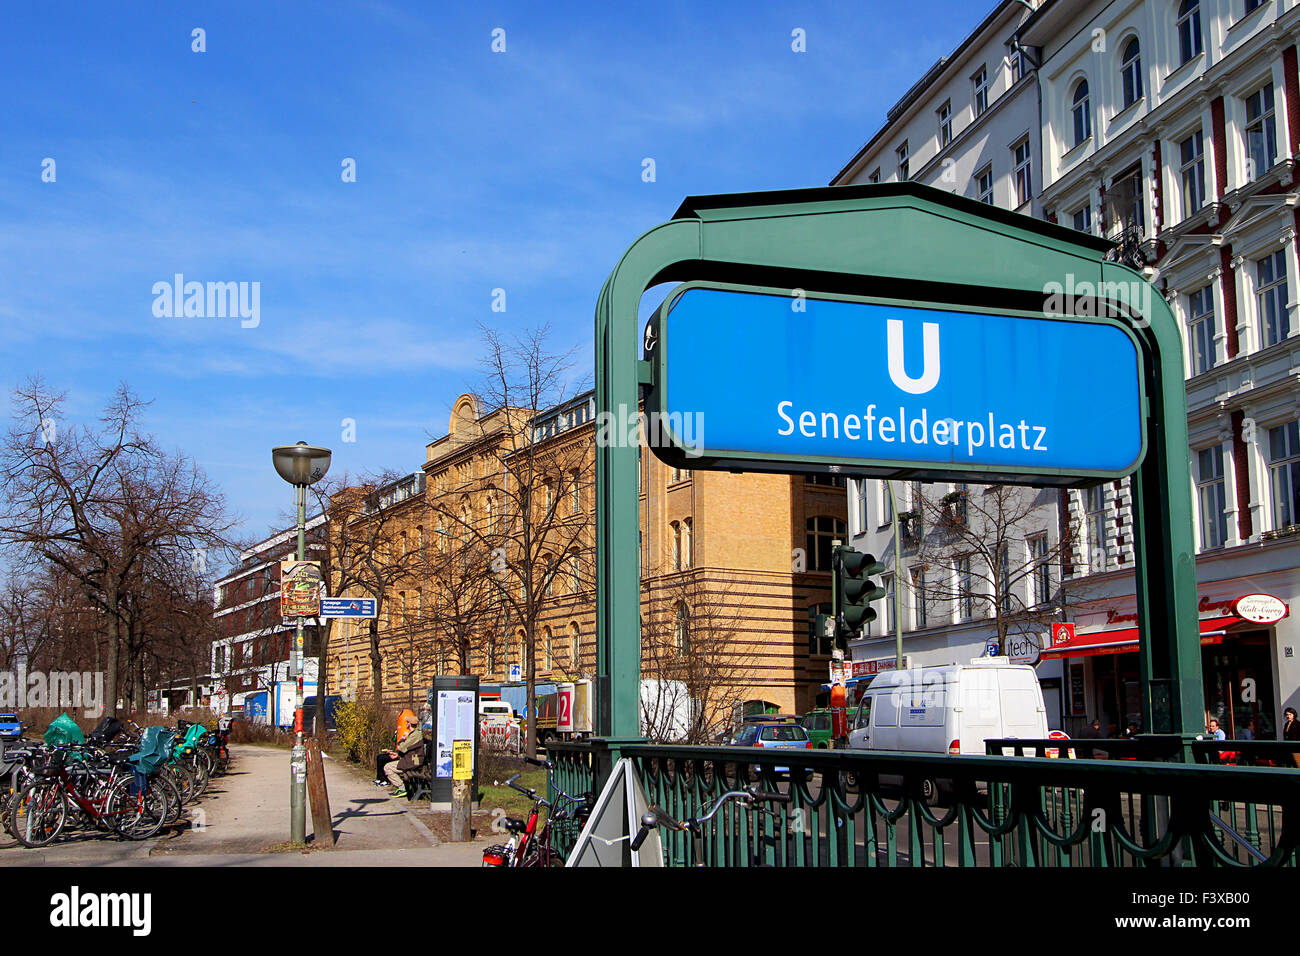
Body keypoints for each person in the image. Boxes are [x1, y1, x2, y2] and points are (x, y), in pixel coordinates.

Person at [383, 713, 425, 797]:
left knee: (387, 767)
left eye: (407, 722)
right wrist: (397, 755)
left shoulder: (415, 735)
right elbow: (409, 750)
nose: (405, 724)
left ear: (409, 724)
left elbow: (402, 747)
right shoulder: (414, 734)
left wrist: (402, 739)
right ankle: (402, 788)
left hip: (413, 762)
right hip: (411, 760)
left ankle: (402, 788)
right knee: (388, 765)